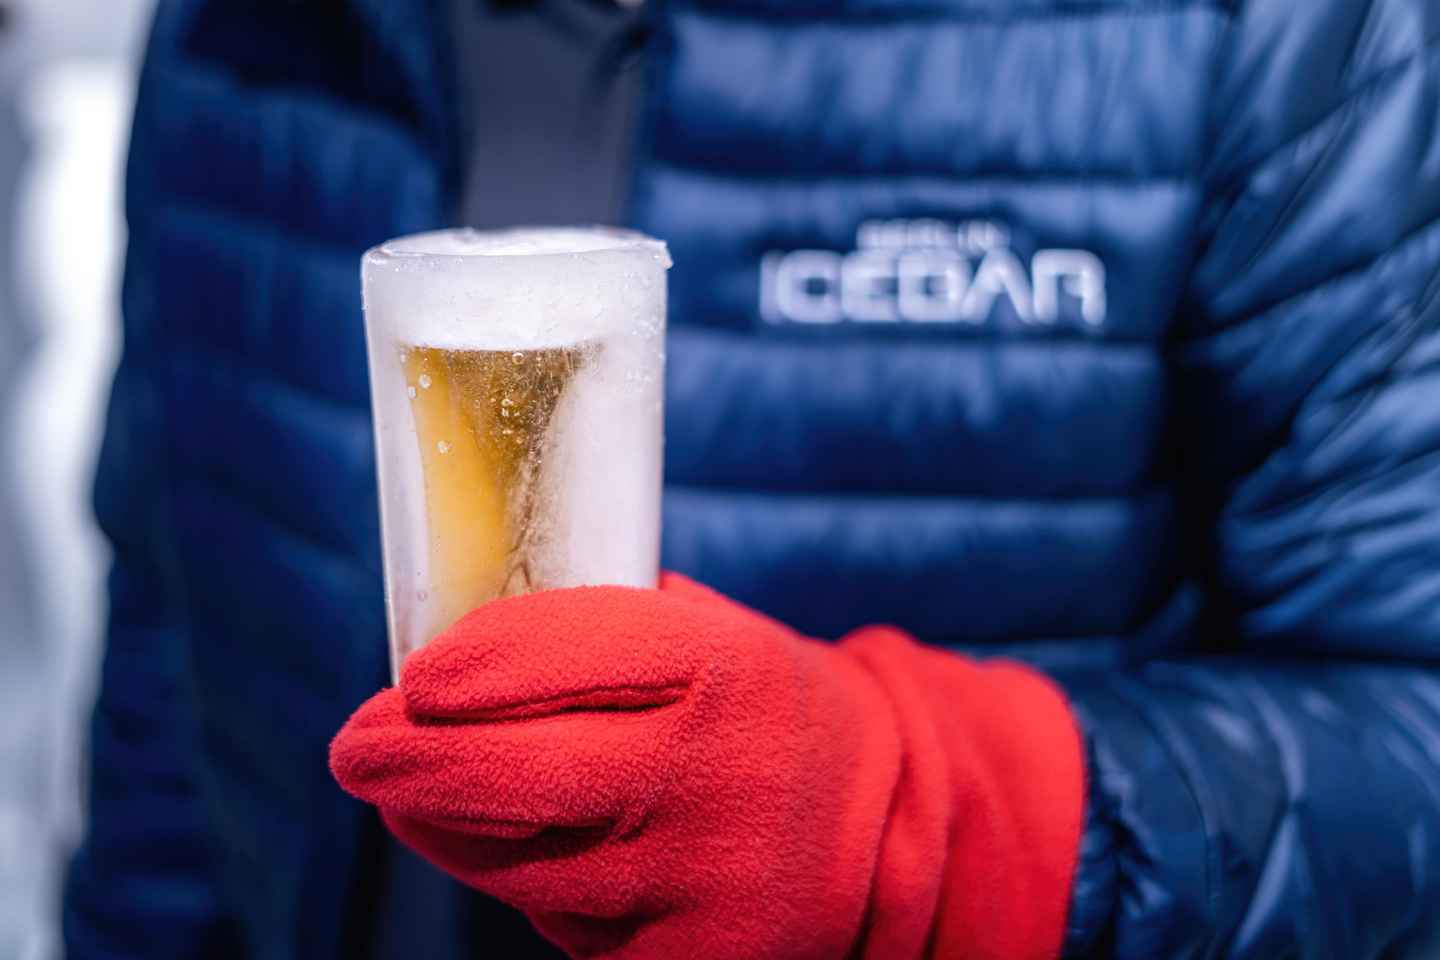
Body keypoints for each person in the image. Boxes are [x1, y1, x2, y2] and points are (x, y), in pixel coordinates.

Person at [65, 0, 1440, 957]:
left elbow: (1406, 720)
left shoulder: (1245, 28)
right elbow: (179, 648)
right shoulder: (243, 33)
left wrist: (923, 826)